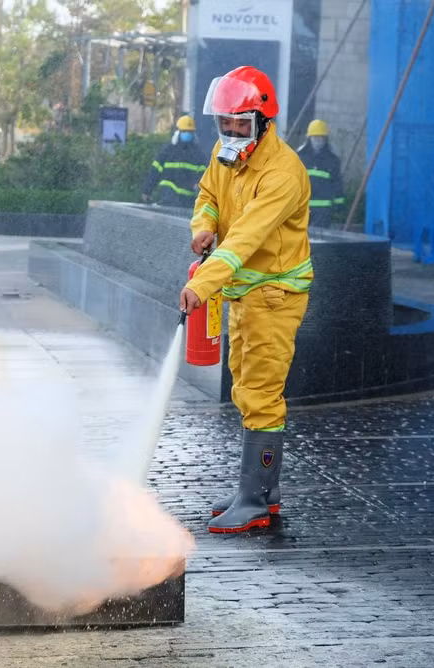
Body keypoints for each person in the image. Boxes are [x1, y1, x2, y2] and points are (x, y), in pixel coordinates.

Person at [178, 66, 313, 534]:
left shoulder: (283, 173)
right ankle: (262, 491)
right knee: (245, 385)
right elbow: (208, 196)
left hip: (274, 294)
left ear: (263, 120)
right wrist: (203, 225)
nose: (232, 132)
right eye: (225, 123)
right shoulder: (227, 154)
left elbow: (245, 240)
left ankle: (254, 500)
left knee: (261, 394)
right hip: (244, 293)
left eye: (240, 123)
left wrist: (201, 285)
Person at [142, 115, 209, 208]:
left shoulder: (198, 154)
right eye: (184, 131)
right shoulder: (167, 151)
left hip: (187, 201)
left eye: (190, 132)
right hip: (167, 198)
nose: (187, 134)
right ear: (178, 132)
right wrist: (147, 190)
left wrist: (198, 183)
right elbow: (155, 172)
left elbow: (204, 174)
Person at [297, 119, 345, 227]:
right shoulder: (299, 157)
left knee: (319, 236)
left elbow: (337, 183)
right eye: (315, 138)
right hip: (302, 206)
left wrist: (339, 203)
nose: (318, 141)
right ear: (309, 138)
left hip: (323, 210)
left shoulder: (332, 160)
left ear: (325, 140)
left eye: (321, 138)